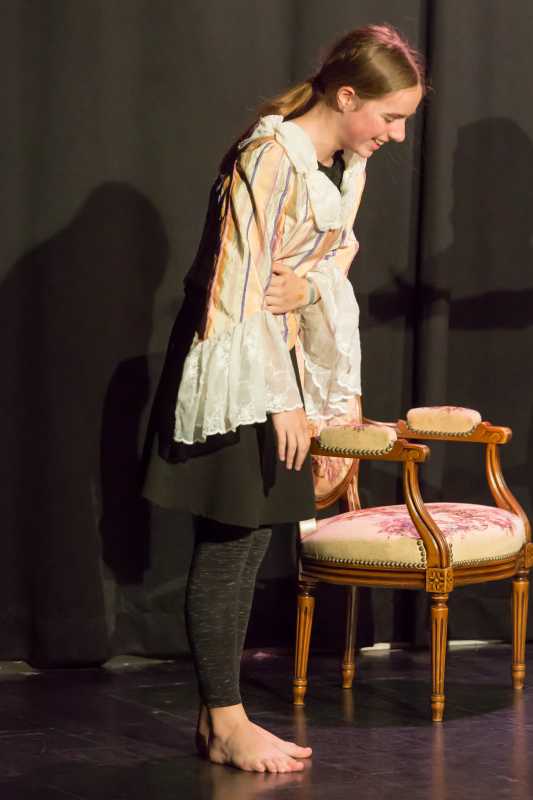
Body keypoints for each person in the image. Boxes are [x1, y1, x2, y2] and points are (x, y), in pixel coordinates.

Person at [143, 24, 425, 773]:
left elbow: (324, 265)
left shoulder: (343, 168)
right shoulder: (269, 156)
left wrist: (309, 289)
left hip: (279, 357)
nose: (395, 135)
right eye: (390, 117)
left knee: (249, 540)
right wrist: (279, 399)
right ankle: (226, 723)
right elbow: (236, 282)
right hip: (235, 359)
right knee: (231, 538)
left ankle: (220, 719)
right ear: (347, 96)